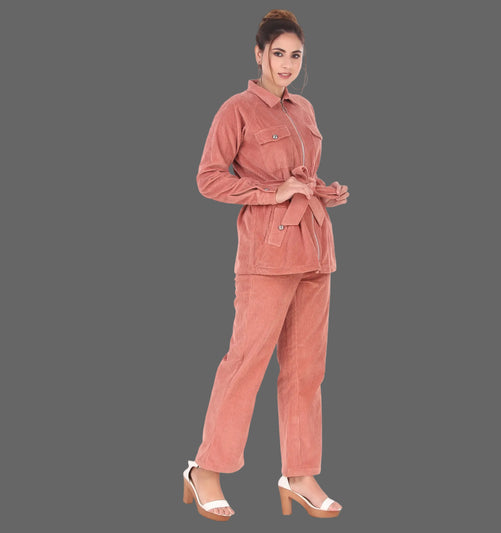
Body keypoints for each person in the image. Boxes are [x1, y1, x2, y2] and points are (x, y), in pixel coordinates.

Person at [182, 9, 349, 521]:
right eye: (278, 53)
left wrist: (323, 191)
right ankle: (206, 469)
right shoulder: (236, 110)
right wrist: (271, 192)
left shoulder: (304, 109)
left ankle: (299, 475)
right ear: (259, 54)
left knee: (306, 371)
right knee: (246, 362)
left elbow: (301, 177)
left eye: (296, 55)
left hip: (315, 251)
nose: (287, 64)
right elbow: (209, 178)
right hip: (267, 256)